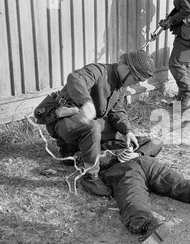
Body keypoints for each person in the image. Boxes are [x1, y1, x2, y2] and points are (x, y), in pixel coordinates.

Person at [34, 50, 156, 197]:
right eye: (136, 79)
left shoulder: (121, 85)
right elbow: (75, 79)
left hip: (92, 124)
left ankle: (106, 155)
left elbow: (116, 111)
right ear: (125, 68)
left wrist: (128, 131)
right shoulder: (98, 71)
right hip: (65, 121)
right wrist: (86, 102)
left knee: (150, 142)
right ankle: (89, 176)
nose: (136, 83)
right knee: (93, 127)